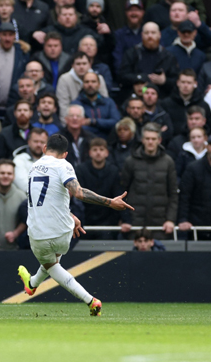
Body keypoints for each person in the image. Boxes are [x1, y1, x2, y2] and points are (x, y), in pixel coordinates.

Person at [16, 133, 133, 316]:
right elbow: (77, 192)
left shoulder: (33, 167)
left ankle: (91, 300)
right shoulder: (63, 165)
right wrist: (108, 203)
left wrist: (108, 203)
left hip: (38, 233)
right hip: (64, 231)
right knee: (52, 260)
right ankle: (31, 284)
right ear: (65, 154)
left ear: (44, 148)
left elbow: (45, 199)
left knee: (51, 266)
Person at [120, 123, 178, 240]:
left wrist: (170, 219)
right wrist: (125, 219)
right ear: (142, 140)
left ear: (159, 140)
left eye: (153, 139)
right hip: (135, 224)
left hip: (160, 225)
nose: (150, 142)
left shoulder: (168, 162)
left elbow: (173, 194)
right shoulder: (131, 161)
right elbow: (121, 192)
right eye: (147, 138)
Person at [73, 138, 122, 240]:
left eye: (101, 149)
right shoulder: (81, 170)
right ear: (90, 153)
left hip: (108, 220)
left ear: (107, 153)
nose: (98, 153)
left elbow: (118, 194)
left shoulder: (113, 171)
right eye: (95, 150)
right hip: (85, 218)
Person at [177, 133, 211, 240]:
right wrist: (183, 219)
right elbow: (185, 196)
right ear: (206, 146)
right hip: (197, 226)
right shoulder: (193, 168)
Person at [0, 159, 27, 250]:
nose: (6, 176)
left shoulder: (21, 196)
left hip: (14, 251)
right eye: (2, 173)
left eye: (9, 173)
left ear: (14, 176)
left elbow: (27, 220)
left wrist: (15, 233)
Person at [12, 127, 48, 192]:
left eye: (42, 142)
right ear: (29, 142)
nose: (39, 145)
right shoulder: (19, 159)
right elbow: (24, 185)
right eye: (35, 141)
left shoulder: (53, 161)